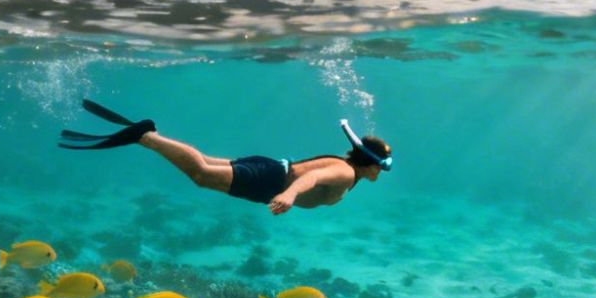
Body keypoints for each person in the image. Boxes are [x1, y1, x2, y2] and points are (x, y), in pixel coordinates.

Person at [59, 100, 391, 214]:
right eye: (383, 167)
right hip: (272, 180)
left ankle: (148, 135)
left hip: (272, 168)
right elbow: (313, 178)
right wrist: (289, 195)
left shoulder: (345, 165)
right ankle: (145, 136)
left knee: (203, 162)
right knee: (201, 174)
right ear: (371, 163)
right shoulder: (346, 174)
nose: (382, 174)